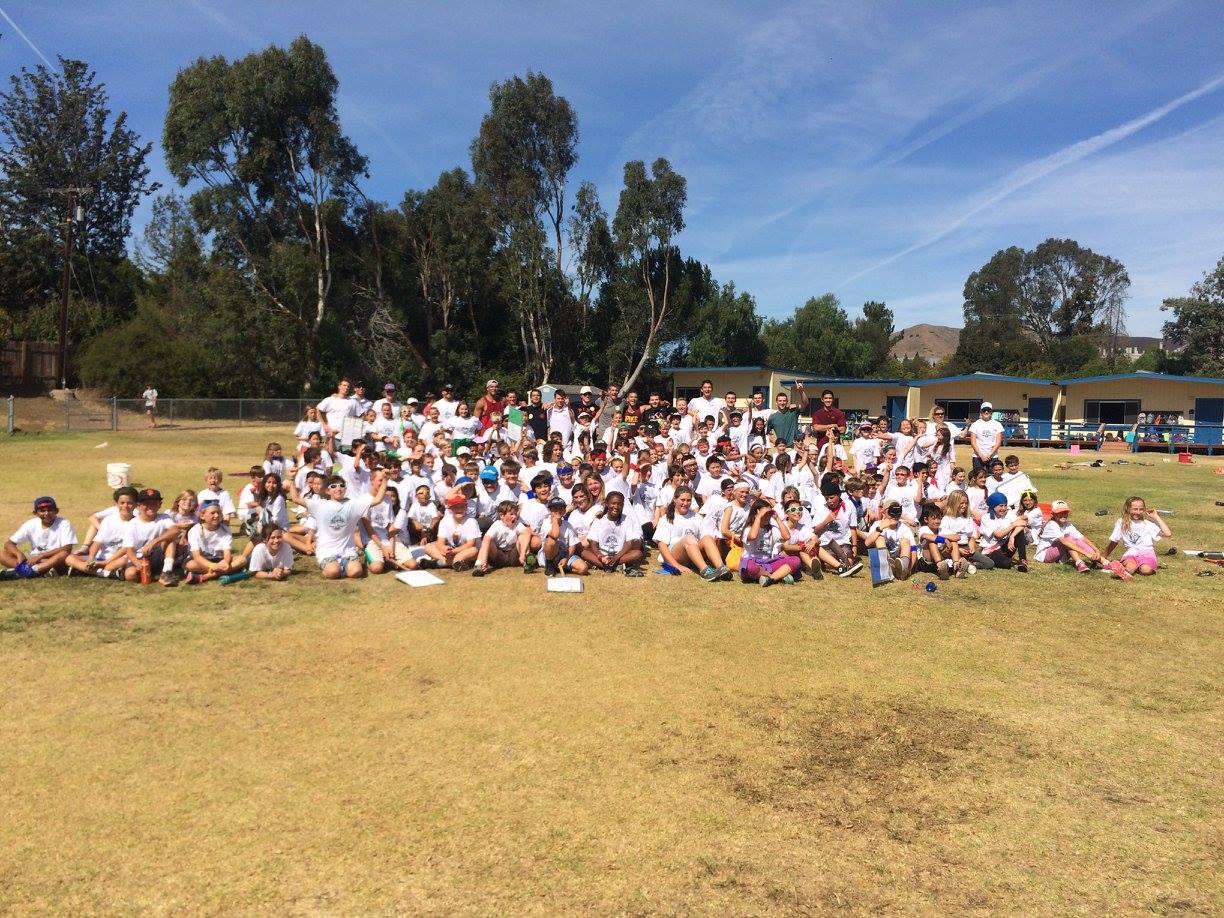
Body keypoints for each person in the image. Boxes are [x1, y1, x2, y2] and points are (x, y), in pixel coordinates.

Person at [286, 470, 388, 580]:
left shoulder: (353, 504)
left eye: (342, 486)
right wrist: (291, 480)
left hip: (348, 551)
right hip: (327, 551)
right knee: (333, 572)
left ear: (345, 489)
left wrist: (385, 480)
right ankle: (332, 567)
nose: (338, 489)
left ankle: (346, 565)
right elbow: (296, 499)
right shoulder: (320, 505)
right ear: (327, 491)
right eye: (333, 486)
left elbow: (378, 499)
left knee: (356, 572)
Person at [0, 496, 76, 579]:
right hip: (34, 559)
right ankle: (34, 571)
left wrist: (41, 556)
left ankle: (28, 571)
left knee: (63, 554)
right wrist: (19, 554)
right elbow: (8, 544)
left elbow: (67, 548)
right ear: (35, 513)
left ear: (56, 511)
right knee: (2, 554)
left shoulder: (64, 523)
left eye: (50, 510)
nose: (46, 513)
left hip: (54, 559)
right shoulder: (30, 524)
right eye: (42, 511)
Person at [1103, 496, 1172, 579]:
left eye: (1141, 509)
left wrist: (1156, 517)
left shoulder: (1147, 524)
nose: (1138, 512)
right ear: (1128, 509)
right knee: (1130, 566)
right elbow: (1114, 541)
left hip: (1147, 554)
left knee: (1145, 570)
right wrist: (1103, 558)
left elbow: (1168, 534)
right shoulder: (1121, 522)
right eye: (1135, 509)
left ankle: (1126, 568)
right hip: (1131, 554)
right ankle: (1123, 572)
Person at [740, 498, 800, 587]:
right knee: (750, 566)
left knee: (795, 560)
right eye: (766, 514)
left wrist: (777, 518)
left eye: (769, 514)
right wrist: (759, 516)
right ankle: (778, 575)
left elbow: (787, 537)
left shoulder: (772, 528)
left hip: (769, 562)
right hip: (753, 561)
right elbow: (753, 536)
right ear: (756, 513)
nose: (768, 516)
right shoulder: (748, 529)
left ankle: (770, 579)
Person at [1034, 500, 1105, 572]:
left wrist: (1096, 550)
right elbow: (1064, 542)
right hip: (1044, 555)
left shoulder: (1068, 525)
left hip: (1059, 551)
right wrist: (1086, 554)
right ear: (1053, 514)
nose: (1063, 515)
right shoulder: (1052, 524)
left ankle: (1104, 562)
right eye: (1059, 513)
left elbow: (1082, 539)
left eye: (1065, 512)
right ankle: (1079, 563)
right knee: (1068, 539)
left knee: (1077, 540)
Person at [862, 498, 915, 581]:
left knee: (905, 541)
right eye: (891, 512)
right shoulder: (877, 524)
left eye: (897, 512)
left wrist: (909, 569)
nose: (894, 516)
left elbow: (913, 550)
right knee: (879, 538)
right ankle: (884, 570)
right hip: (885, 557)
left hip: (899, 558)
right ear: (884, 513)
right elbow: (867, 543)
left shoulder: (904, 528)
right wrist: (881, 528)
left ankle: (903, 570)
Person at [968, 402, 1005, 472]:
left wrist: (989, 455)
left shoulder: (997, 424)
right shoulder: (975, 424)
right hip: (977, 456)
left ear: (991, 412)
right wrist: (981, 455)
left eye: (988, 410)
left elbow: (998, 442)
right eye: (984, 410)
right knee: (978, 477)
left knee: (993, 477)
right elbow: (973, 442)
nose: (986, 412)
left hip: (993, 456)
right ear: (981, 412)